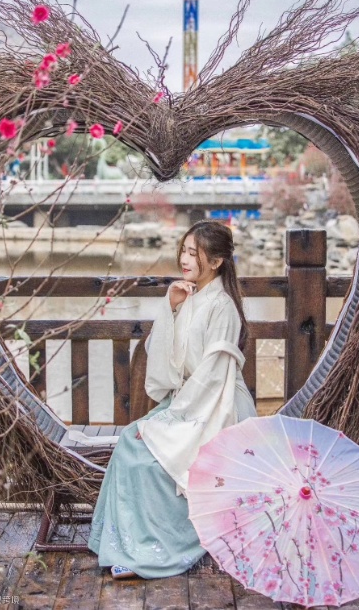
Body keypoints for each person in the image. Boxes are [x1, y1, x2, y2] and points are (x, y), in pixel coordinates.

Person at [88, 220, 257, 579]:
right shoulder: (190, 296)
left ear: (216, 262)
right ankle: (124, 542)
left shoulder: (223, 308)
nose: (185, 259)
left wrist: (167, 421)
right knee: (129, 443)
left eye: (194, 253)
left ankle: (154, 549)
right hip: (188, 403)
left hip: (217, 406)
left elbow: (212, 376)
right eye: (184, 250)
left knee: (149, 463)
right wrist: (171, 307)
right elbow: (162, 352)